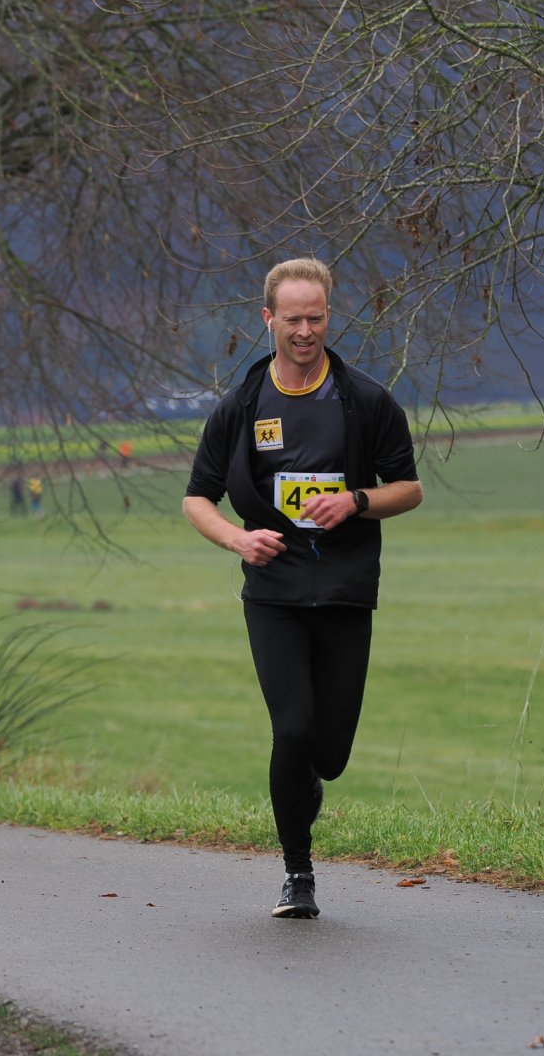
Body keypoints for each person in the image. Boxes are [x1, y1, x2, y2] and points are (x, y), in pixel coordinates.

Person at [183, 257, 422, 919]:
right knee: (290, 729)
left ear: (329, 316)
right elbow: (197, 499)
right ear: (269, 319)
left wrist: (357, 501)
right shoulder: (242, 406)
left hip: (345, 588)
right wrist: (238, 540)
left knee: (329, 753)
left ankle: (307, 784)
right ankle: (297, 872)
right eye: (293, 319)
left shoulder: (365, 400)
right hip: (274, 591)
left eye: (316, 318)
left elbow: (410, 489)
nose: (306, 331)